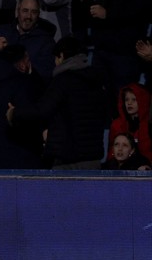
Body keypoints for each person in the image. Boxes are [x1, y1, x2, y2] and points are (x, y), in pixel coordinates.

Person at [6, 35, 107, 169]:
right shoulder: (96, 81)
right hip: (93, 160)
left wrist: (14, 113)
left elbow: (42, 110)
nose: (54, 62)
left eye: (56, 58)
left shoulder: (63, 81)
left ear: (61, 55)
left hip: (68, 160)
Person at [87, 0, 152, 118]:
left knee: (125, 107)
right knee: (100, 105)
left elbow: (140, 11)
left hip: (123, 54)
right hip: (103, 49)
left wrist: (109, 15)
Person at [0, 43, 46, 169]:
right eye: (27, 59)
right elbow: (33, 116)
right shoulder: (24, 85)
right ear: (21, 63)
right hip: (24, 157)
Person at [0, 0, 56, 85]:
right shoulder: (2, 31)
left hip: (24, 93)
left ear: (38, 15)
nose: (29, 16)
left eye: (34, 12)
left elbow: (45, 75)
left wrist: (24, 65)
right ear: (18, 11)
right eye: (25, 11)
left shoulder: (46, 41)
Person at [108, 82, 152, 162]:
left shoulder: (149, 125)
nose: (129, 103)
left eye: (134, 100)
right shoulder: (117, 125)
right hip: (121, 171)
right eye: (126, 99)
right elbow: (111, 153)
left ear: (143, 101)